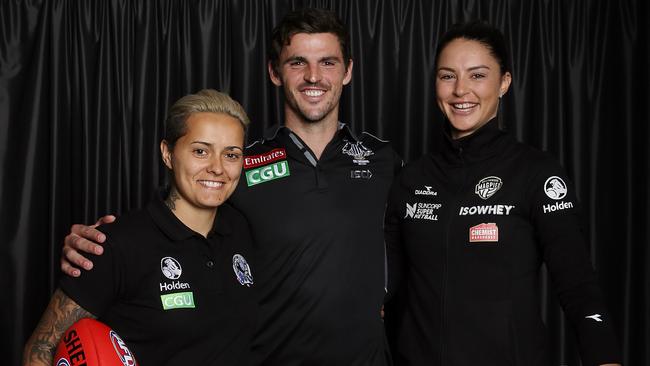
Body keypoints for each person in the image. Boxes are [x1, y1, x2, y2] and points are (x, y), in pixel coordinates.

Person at [58, 8, 402, 365]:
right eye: (298, 62)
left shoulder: (383, 159)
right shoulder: (241, 164)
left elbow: (416, 240)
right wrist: (101, 248)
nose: (313, 76)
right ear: (274, 72)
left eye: (328, 62)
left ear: (347, 71)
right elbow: (171, 226)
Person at [383, 21, 622, 365]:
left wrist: (606, 359)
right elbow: (382, 284)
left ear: (504, 83)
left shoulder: (536, 173)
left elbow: (579, 285)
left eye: (477, 75)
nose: (460, 90)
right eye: (447, 76)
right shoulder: (410, 179)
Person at [24, 89, 257, 365]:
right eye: (200, 151)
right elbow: (39, 349)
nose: (217, 168)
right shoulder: (116, 244)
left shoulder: (244, 229)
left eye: (231, 155)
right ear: (168, 154)